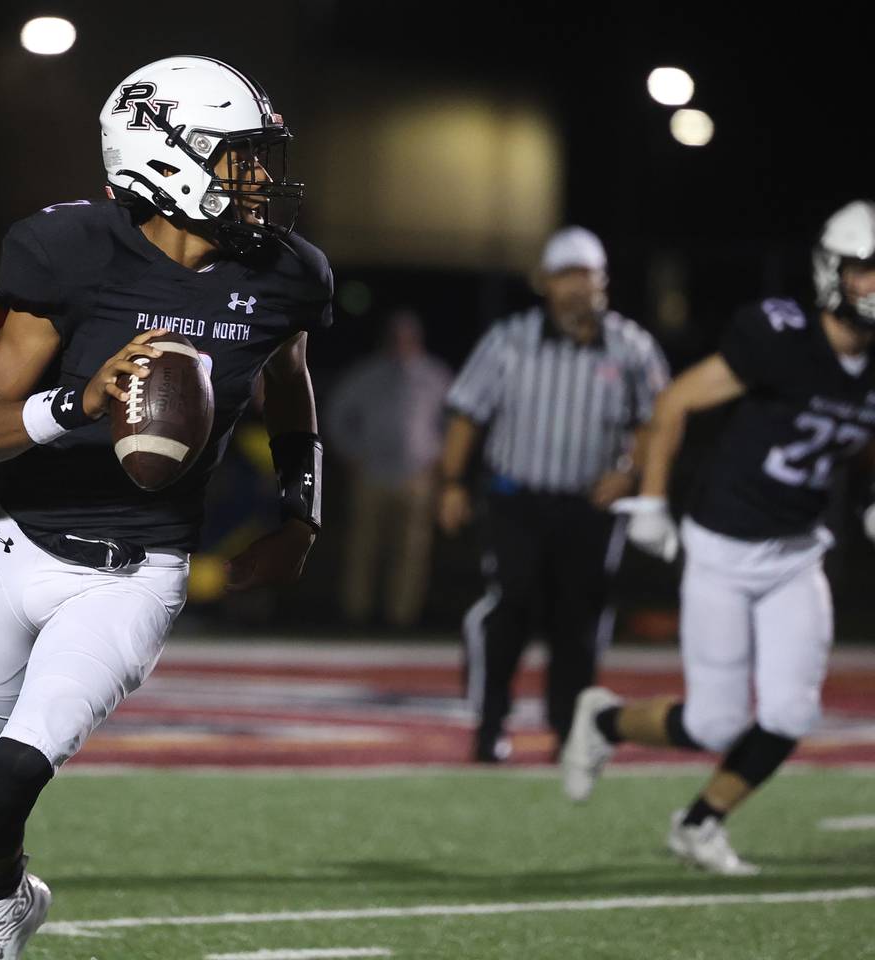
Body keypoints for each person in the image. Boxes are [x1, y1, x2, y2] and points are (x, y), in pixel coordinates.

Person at [0, 55, 332, 960]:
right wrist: (75, 405)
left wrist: (301, 515)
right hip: (14, 552)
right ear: (167, 157)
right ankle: (7, 908)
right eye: (240, 159)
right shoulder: (73, 254)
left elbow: (292, 386)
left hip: (136, 575)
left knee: (11, 777)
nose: (262, 181)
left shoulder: (285, 276)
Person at [561, 199, 875, 874]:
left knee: (792, 712)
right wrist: (650, 499)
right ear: (832, 272)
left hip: (797, 552)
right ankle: (604, 721)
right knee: (714, 725)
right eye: (865, 269)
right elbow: (674, 402)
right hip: (725, 547)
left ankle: (700, 823)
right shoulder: (781, 335)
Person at [438, 227, 670, 762]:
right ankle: (492, 722)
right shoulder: (509, 340)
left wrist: (631, 474)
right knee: (512, 608)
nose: (575, 289)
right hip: (517, 498)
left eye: (584, 275)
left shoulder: (632, 346)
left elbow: (657, 423)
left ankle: (568, 731)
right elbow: (467, 413)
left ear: (602, 281)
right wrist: (451, 482)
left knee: (580, 621)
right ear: (545, 283)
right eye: (565, 276)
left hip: (590, 507)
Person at [326, 310, 451, 628]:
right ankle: (356, 613)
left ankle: (402, 617)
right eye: (396, 337)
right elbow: (336, 414)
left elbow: (454, 423)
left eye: (408, 337)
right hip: (371, 472)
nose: (402, 343)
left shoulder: (436, 376)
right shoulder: (366, 374)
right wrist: (351, 452)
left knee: (412, 550)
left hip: (417, 475)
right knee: (363, 545)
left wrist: (438, 456)